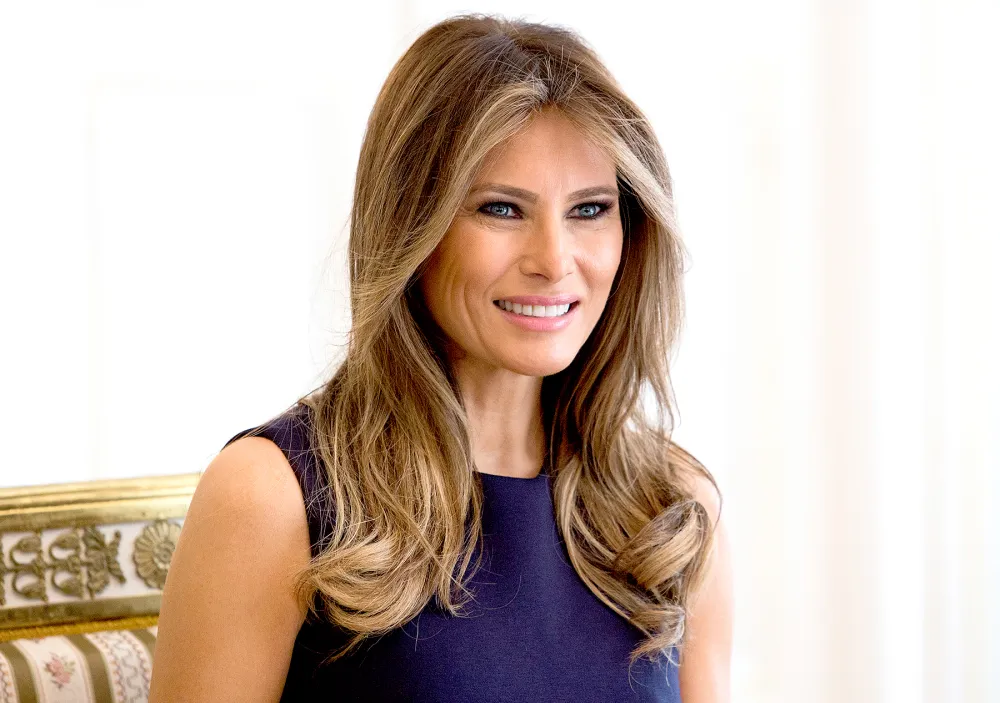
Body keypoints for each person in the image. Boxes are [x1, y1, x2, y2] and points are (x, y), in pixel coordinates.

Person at [150, 12, 733, 703]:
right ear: (411, 225)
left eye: (589, 210)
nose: (554, 261)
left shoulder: (673, 509)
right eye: (501, 209)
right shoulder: (271, 497)